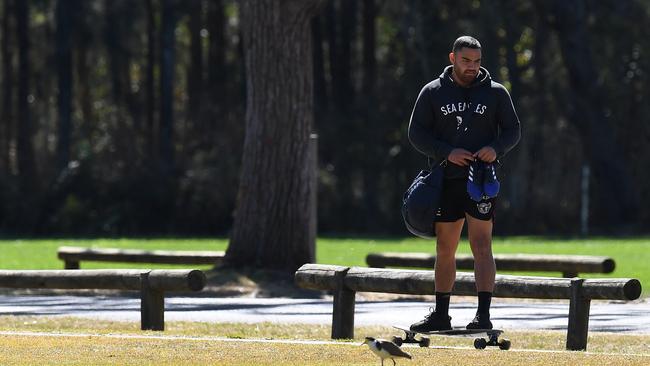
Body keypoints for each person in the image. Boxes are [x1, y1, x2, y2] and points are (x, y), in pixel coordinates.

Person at [407, 35, 521, 331]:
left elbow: (513, 130)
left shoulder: (496, 93)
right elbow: (416, 133)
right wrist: (447, 152)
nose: (472, 66)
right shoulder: (432, 92)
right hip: (446, 179)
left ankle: (483, 315)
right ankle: (441, 314)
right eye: (466, 60)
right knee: (446, 247)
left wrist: (496, 148)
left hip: (481, 181)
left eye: (477, 61)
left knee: (482, 245)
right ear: (452, 58)